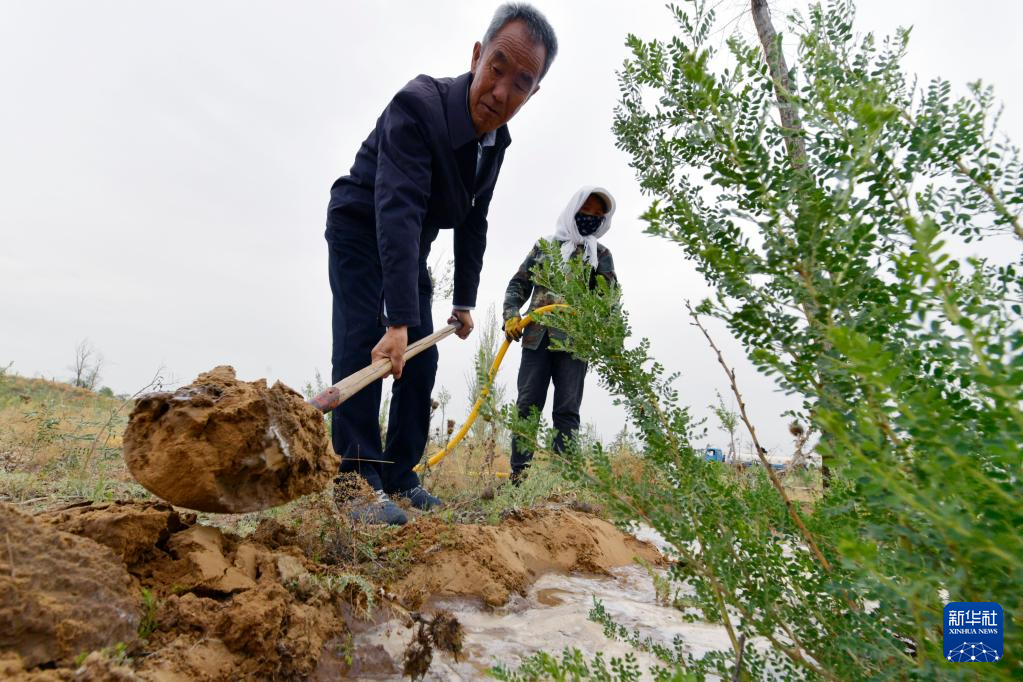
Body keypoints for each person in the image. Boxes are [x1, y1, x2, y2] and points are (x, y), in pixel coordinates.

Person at [325, 4, 558, 525]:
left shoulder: (495, 142)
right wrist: (398, 321)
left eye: (521, 83)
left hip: (410, 242)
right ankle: (356, 479)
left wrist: (463, 302)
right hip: (363, 224)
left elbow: (474, 222)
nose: (500, 93)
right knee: (367, 339)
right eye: (496, 69)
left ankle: (401, 474)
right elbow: (398, 208)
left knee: (421, 360)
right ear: (477, 57)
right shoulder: (418, 105)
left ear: (533, 92)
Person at [502, 186, 618, 482]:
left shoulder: (600, 256)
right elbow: (518, 285)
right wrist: (511, 315)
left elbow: (609, 301)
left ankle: (561, 482)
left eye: (597, 215)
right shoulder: (545, 248)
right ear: (573, 210)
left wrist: (608, 335)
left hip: (575, 344)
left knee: (567, 411)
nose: (590, 218)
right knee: (527, 406)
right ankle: (519, 478)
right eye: (585, 212)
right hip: (536, 339)